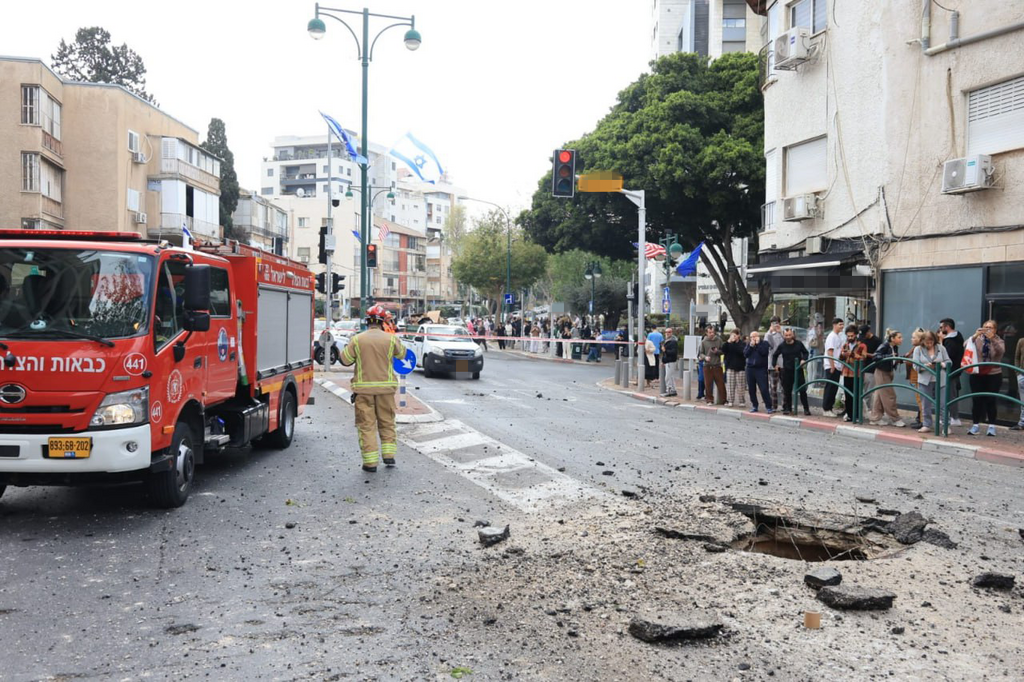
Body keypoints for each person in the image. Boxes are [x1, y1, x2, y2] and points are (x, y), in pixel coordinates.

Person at [339, 305, 407, 472]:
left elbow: (345, 360)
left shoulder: (357, 339)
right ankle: (389, 455)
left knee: (367, 426)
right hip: (386, 390)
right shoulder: (390, 339)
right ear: (383, 321)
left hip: (364, 391)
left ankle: (370, 464)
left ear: (367, 321)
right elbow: (402, 354)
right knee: (387, 422)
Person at [967, 319, 1005, 437]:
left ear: (995, 330)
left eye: (990, 327)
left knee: (991, 400)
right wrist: (975, 336)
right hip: (977, 373)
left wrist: (992, 339)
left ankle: (991, 426)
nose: (988, 329)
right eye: (986, 327)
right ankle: (975, 425)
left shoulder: (999, 340)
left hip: (993, 374)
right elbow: (966, 345)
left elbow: (1001, 351)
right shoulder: (977, 339)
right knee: (976, 400)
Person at [913, 330, 951, 433]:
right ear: (922, 341)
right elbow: (915, 365)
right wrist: (924, 366)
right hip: (925, 380)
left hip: (940, 379)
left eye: (931, 342)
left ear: (934, 340)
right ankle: (926, 424)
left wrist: (942, 364)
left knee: (943, 403)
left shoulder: (941, 348)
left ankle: (946, 425)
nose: (929, 344)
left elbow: (949, 361)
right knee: (925, 404)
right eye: (927, 342)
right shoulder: (918, 349)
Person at [869, 329, 906, 427]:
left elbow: (893, 359)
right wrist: (889, 356)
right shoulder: (885, 346)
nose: (901, 339)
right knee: (890, 396)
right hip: (882, 372)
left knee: (879, 396)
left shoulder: (894, 347)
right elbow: (875, 356)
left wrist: (901, 359)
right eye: (899, 337)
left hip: (888, 372)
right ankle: (895, 418)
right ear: (892, 338)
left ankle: (875, 418)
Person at [771, 328, 811, 416]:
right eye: (786, 335)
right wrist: (775, 365)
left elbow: (806, 353)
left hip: (798, 370)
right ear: (784, 336)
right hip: (787, 370)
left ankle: (806, 409)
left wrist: (803, 359)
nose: (788, 337)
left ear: (793, 335)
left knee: (802, 390)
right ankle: (788, 408)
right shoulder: (782, 345)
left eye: (790, 335)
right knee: (787, 391)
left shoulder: (799, 344)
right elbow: (775, 355)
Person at [838, 325, 868, 422]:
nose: (850, 338)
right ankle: (850, 414)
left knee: (857, 395)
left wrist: (852, 354)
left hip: (857, 373)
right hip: (847, 372)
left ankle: (857, 415)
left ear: (856, 335)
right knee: (848, 395)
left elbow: (863, 357)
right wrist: (843, 355)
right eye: (848, 336)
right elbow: (840, 357)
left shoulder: (862, 346)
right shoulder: (845, 345)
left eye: (852, 336)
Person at [938, 318, 965, 427]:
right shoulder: (958, 336)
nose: (940, 330)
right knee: (950, 394)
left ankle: (954, 417)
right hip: (955, 370)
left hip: (950, 370)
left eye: (941, 327)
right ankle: (950, 416)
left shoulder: (949, 341)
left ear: (947, 327)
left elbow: (945, 356)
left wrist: (941, 341)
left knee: (950, 395)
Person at [743, 330, 773, 413]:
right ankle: (754, 405)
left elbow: (764, 352)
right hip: (750, 368)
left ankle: (768, 406)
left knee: (763, 388)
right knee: (751, 389)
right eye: (751, 337)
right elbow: (745, 354)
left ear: (758, 337)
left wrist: (758, 344)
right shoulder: (749, 344)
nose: (753, 338)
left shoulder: (764, 343)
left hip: (761, 369)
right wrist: (751, 346)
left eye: (754, 336)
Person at [821, 317, 845, 417]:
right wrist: (832, 366)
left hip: (837, 365)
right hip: (832, 365)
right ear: (834, 325)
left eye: (842, 324)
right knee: (830, 387)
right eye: (840, 324)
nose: (842, 326)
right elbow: (830, 352)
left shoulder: (838, 336)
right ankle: (826, 408)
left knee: (834, 388)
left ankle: (829, 407)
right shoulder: (832, 336)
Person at [904, 328, 926, 429]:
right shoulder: (916, 348)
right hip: (916, 376)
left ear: (919, 339)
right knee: (920, 399)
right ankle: (922, 420)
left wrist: (907, 361)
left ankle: (923, 421)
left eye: (913, 337)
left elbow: (917, 362)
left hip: (918, 376)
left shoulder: (919, 349)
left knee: (920, 399)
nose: (911, 339)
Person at [699, 325, 726, 405]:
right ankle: (709, 400)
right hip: (707, 366)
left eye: (713, 332)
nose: (712, 334)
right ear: (706, 333)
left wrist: (717, 351)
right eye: (710, 332)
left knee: (721, 384)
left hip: (717, 365)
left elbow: (723, 351)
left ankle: (724, 400)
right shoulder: (703, 342)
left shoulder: (719, 340)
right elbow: (700, 353)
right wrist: (705, 357)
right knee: (708, 384)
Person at [859, 324, 881, 419]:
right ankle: (860, 409)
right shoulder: (862, 339)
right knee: (860, 389)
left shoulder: (877, 341)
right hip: (861, 368)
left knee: (868, 391)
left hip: (871, 368)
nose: (864, 337)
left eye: (865, 334)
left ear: (869, 331)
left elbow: (878, 355)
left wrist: (866, 354)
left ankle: (866, 410)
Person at [721, 329, 747, 408]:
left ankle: (741, 401)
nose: (733, 337)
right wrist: (728, 342)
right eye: (732, 335)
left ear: (738, 335)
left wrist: (733, 344)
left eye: (735, 335)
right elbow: (723, 350)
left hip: (740, 367)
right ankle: (730, 400)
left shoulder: (742, 344)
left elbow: (741, 351)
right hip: (730, 367)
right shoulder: (728, 344)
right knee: (730, 386)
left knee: (741, 386)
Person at [764, 316, 785, 410]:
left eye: (776, 323)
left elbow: (787, 342)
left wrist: (781, 332)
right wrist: (770, 331)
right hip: (772, 364)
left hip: (783, 363)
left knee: (784, 386)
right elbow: (768, 345)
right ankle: (773, 405)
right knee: (773, 387)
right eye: (773, 323)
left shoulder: (783, 332)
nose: (775, 325)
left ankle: (785, 406)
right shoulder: (768, 334)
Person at [1012, 334, 1024, 431]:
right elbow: (1017, 357)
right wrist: (1018, 373)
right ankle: (1022, 423)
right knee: (1023, 401)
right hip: (1022, 374)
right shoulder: (1021, 341)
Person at [661, 328, 678, 396]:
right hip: (668, 361)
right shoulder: (666, 341)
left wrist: (665, 350)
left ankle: (669, 390)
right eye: (666, 332)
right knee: (670, 376)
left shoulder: (673, 341)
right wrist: (663, 361)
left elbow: (674, 352)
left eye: (669, 332)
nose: (667, 333)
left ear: (671, 333)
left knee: (668, 377)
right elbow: (664, 353)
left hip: (671, 361)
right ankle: (672, 390)